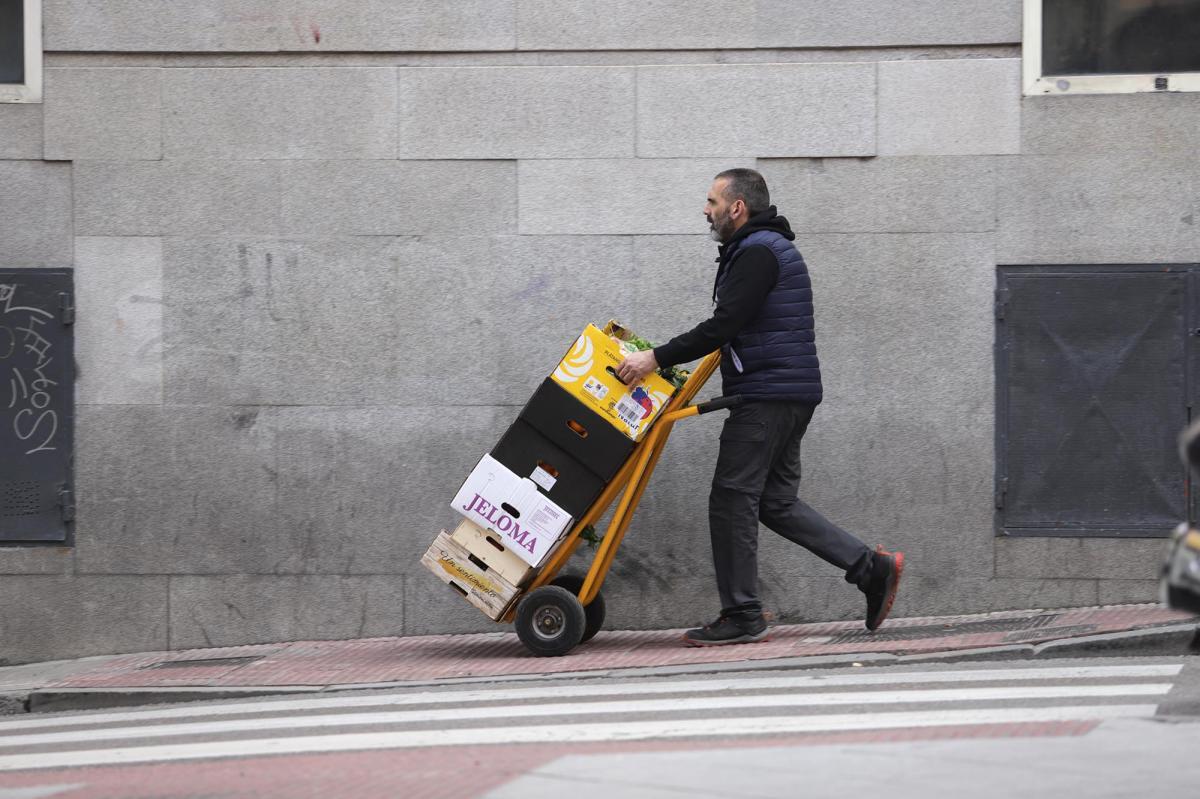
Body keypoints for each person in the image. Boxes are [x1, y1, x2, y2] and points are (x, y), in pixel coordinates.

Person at [616, 168, 904, 646]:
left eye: (711, 201)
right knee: (774, 502)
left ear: (737, 208)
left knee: (732, 499)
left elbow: (725, 324)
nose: (704, 210)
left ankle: (743, 613)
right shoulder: (764, 248)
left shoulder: (756, 253)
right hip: (787, 393)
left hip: (767, 397)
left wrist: (655, 358)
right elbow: (737, 327)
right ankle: (870, 567)